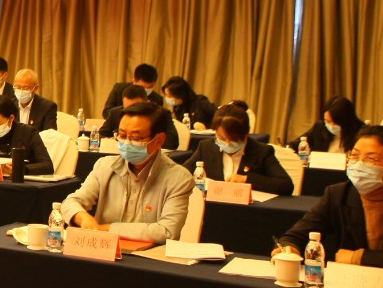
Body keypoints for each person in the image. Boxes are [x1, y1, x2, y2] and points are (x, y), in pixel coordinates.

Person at [275, 125, 383, 273]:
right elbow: (295, 236)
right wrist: (289, 249)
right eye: (354, 156)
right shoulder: (338, 194)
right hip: (349, 285)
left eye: (371, 159)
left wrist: (358, 257)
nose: (359, 164)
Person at [60, 102, 192, 244]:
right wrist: (84, 218)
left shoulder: (179, 178)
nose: (127, 143)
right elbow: (70, 202)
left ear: (159, 140)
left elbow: (167, 231)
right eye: (122, 135)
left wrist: (106, 229)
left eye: (136, 138)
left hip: (148, 256)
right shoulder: (105, 166)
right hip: (104, 251)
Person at [178, 106, 292, 195]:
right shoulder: (206, 147)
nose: (227, 143)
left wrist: (246, 179)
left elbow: (286, 185)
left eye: (233, 139)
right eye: (222, 138)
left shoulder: (261, 151)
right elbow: (181, 174)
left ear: (246, 133)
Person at [99, 84, 179, 149]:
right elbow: (100, 135)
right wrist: (113, 140)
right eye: (127, 109)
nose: (131, 113)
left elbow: (172, 143)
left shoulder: (161, 114)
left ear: (147, 103)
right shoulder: (115, 113)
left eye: (136, 108)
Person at [290, 95, 363, 155]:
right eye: (327, 121)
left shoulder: (361, 133)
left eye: (335, 122)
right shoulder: (320, 128)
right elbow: (294, 145)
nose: (331, 125)